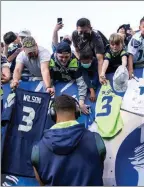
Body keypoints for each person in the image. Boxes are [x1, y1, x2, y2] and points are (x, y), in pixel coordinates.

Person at [31, 94, 106, 186]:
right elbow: (99, 168)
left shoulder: (38, 150)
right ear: (77, 111)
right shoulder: (95, 140)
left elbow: (41, 183)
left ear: (52, 113)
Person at [49, 42, 88, 114]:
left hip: (72, 82)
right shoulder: (51, 61)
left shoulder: (75, 61)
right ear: (56, 54)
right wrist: (50, 90)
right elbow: (49, 83)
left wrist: (81, 102)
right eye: (61, 57)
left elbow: (81, 83)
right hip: (58, 83)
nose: (64, 60)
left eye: (66, 57)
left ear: (70, 54)